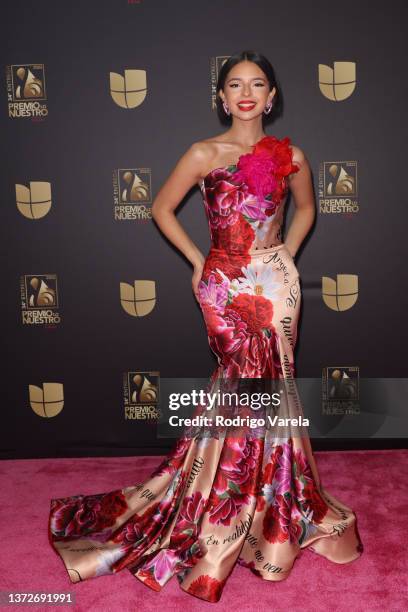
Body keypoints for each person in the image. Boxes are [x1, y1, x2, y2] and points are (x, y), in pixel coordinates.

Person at [48, 50, 363, 603]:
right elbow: (161, 209)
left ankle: (271, 503)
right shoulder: (202, 152)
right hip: (224, 281)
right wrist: (199, 262)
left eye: (257, 83)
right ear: (222, 98)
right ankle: (222, 503)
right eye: (234, 84)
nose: (246, 92)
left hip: (277, 282)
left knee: (278, 387)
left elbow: (308, 208)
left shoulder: (292, 155)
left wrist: (287, 251)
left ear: (272, 97)